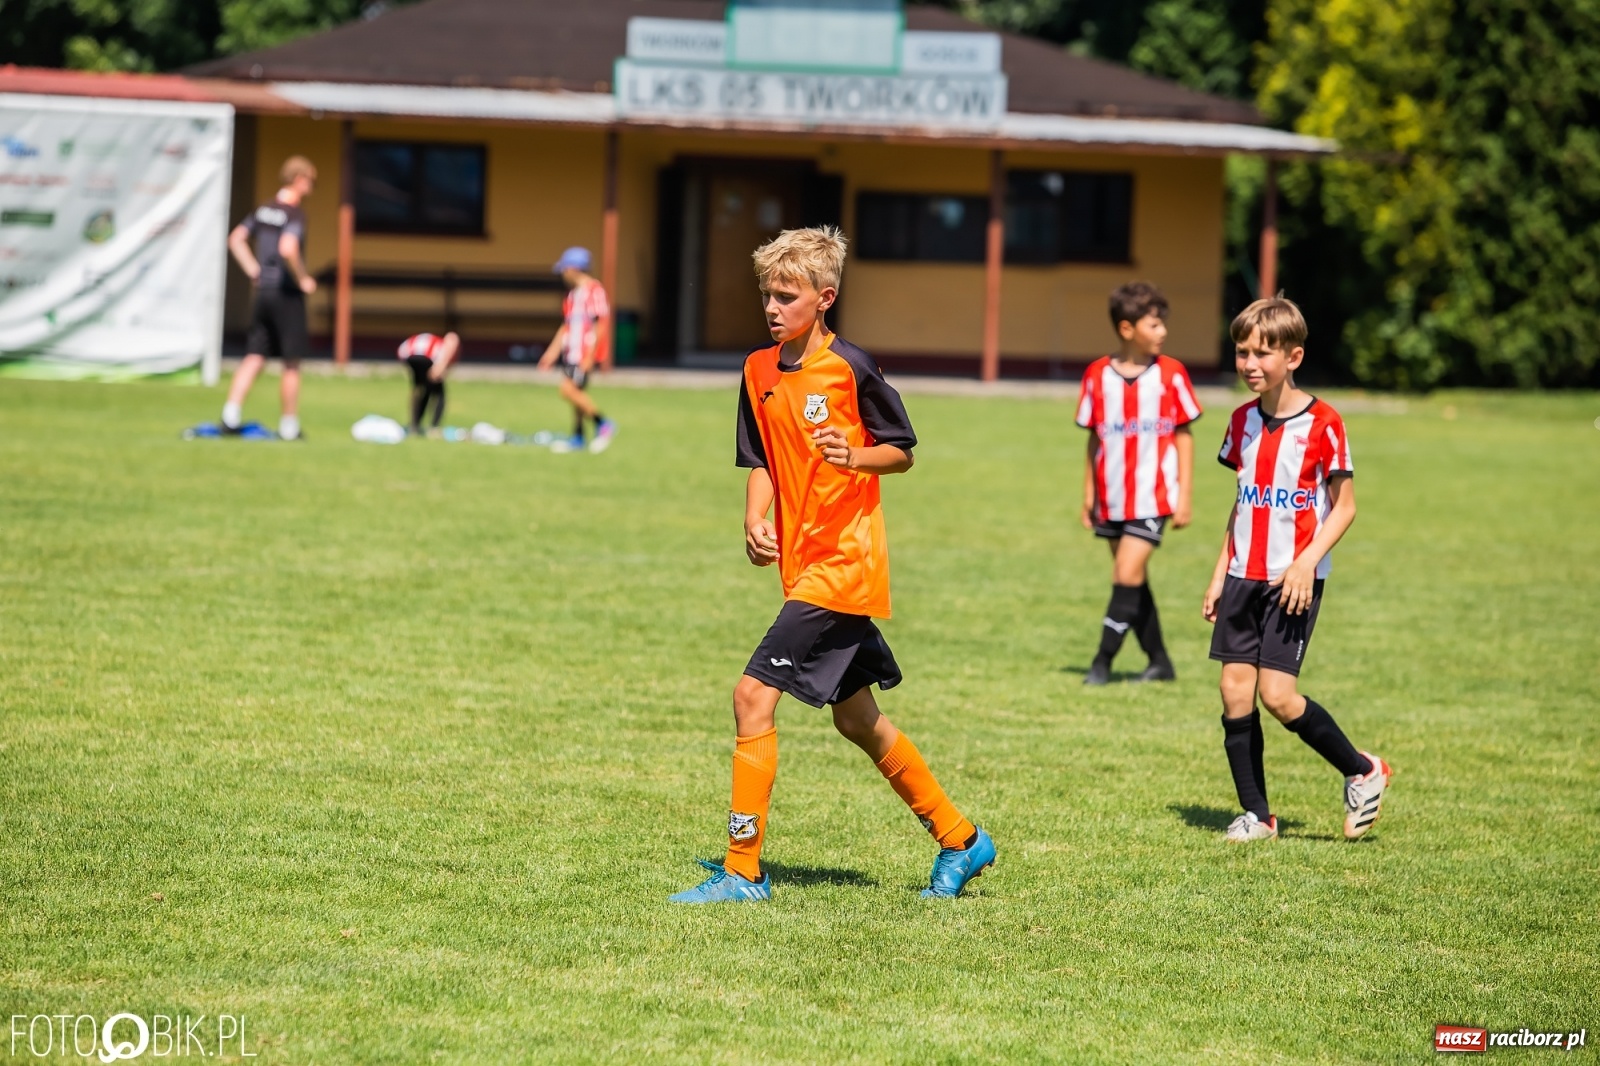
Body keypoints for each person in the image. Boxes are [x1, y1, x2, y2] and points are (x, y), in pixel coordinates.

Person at [669, 226, 996, 905]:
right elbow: (759, 458)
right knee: (858, 721)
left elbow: (901, 449)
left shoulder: (851, 368)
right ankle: (962, 841)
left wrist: (857, 455)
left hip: (843, 567)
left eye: (786, 296)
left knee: (751, 697)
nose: (772, 307)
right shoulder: (758, 370)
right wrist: (755, 520)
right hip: (802, 566)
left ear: (824, 298)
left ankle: (742, 871)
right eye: (767, 293)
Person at [1202, 296, 1391, 843]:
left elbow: (1346, 506)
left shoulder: (1325, 423)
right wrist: (1219, 573)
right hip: (1243, 575)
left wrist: (1307, 561)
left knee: (1278, 697)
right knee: (1234, 691)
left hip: (1293, 581)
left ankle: (1362, 770)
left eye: (1263, 353)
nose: (1250, 364)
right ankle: (1257, 816)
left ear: (1295, 356)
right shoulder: (1240, 422)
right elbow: (1243, 504)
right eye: (1242, 352)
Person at [1076, 282, 1202, 685]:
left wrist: (1184, 494)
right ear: (1127, 328)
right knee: (1133, 579)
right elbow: (1094, 437)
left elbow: (1183, 435)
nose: (1163, 331)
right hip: (1112, 497)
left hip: (1154, 496)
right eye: (1154, 323)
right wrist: (1088, 495)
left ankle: (1101, 663)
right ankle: (1160, 662)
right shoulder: (1097, 375)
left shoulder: (1171, 374)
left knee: (1125, 575)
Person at [222, 156, 318, 441]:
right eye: (311, 181)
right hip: (286, 294)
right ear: (299, 179)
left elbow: (236, 238)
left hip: (263, 292)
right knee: (291, 362)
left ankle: (230, 416)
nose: (311, 187)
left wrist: (254, 269)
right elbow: (288, 248)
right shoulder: (294, 213)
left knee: (254, 355)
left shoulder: (263, 209)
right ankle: (289, 426)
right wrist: (303, 278)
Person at [537, 247, 616, 453]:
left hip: (584, 353)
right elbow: (566, 326)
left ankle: (603, 423)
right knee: (576, 396)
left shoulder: (595, 291)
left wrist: (590, 356)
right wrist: (552, 352)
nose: (562, 274)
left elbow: (601, 325)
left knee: (567, 390)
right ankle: (578, 437)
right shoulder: (572, 295)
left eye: (564, 269)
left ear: (574, 268)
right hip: (570, 352)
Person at [396, 331, 460, 435]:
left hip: (409, 354)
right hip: (425, 356)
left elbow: (402, 351)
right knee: (439, 392)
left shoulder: (432, 341)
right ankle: (434, 427)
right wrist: (438, 370)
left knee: (420, 390)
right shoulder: (443, 346)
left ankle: (414, 425)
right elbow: (438, 369)